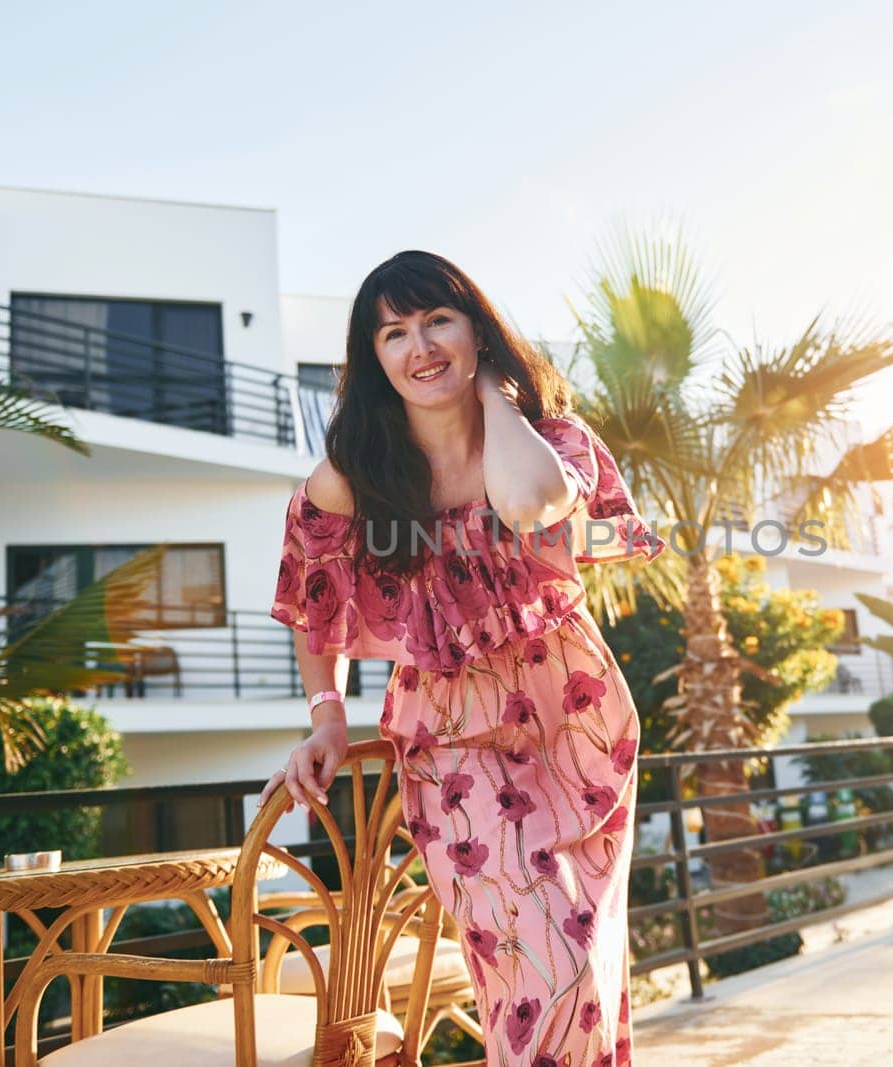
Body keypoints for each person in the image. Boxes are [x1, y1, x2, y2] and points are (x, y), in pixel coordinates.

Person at [263, 249, 665, 1067]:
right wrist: (326, 716)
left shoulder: (548, 440)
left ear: (476, 329)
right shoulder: (358, 474)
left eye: (438, 320)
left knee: (585, 965)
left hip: (576, 722)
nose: (420, 347)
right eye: (394, 333)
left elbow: (529, 503)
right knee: (538, 965)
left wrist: (493, 397)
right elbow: (316, 598)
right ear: (374, 360)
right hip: (452, 739)